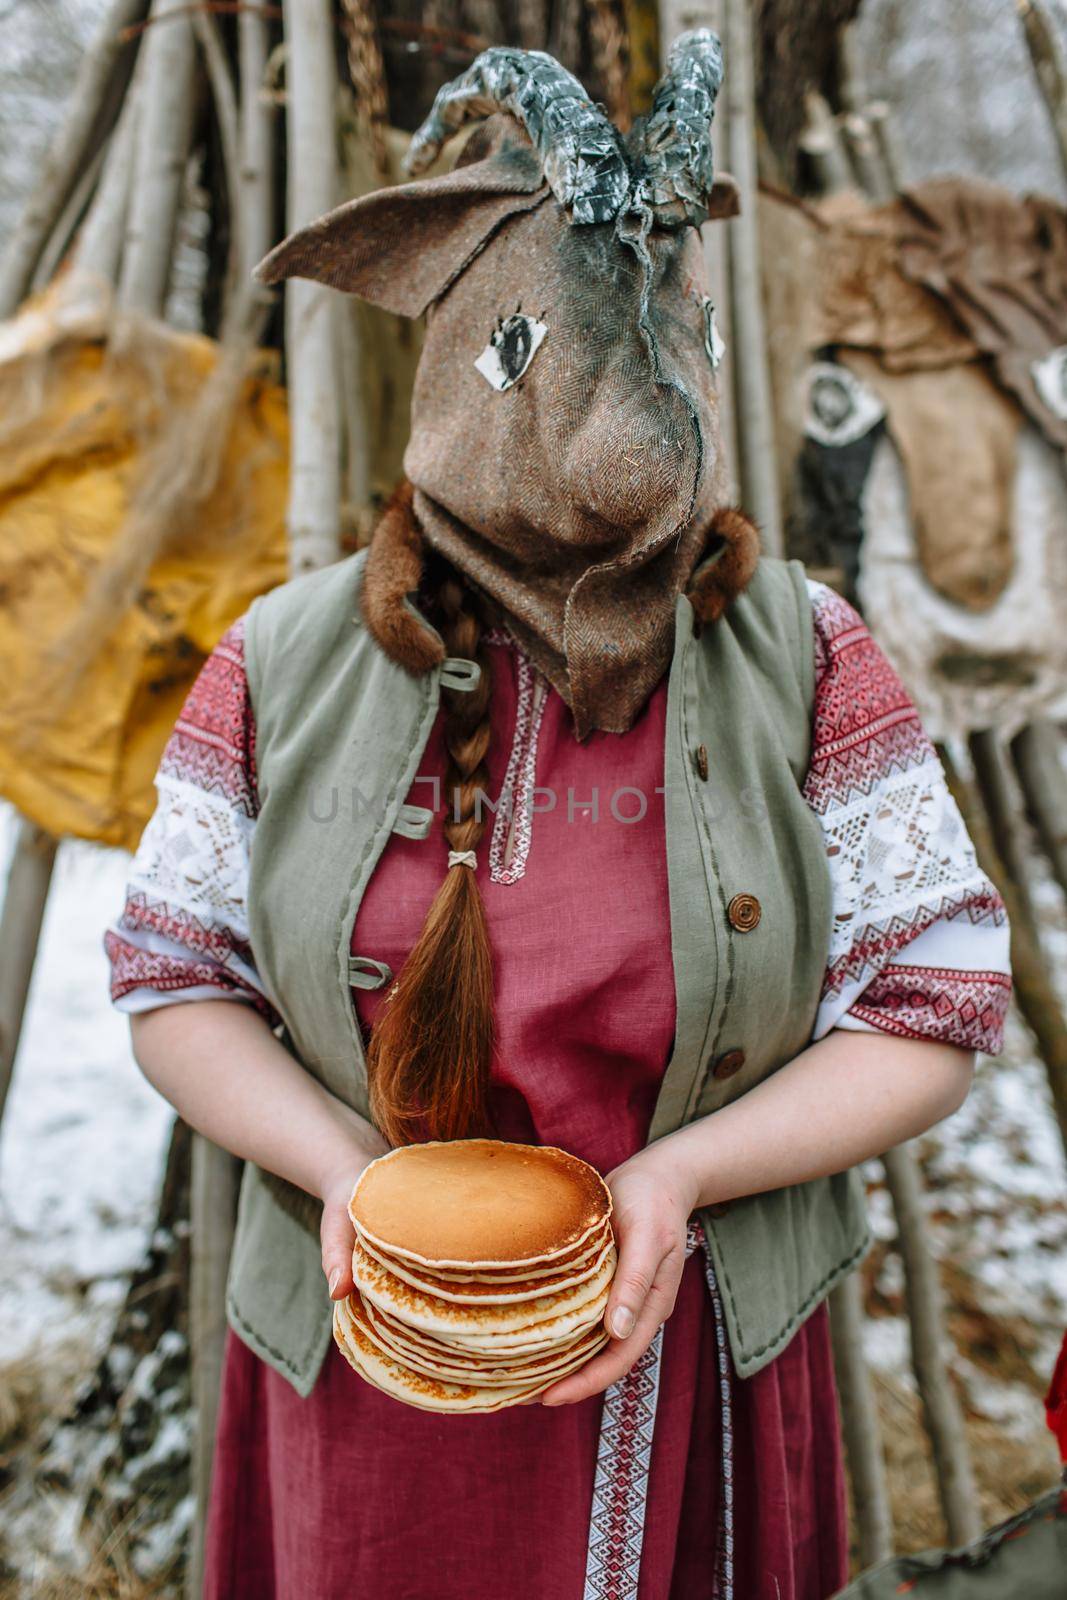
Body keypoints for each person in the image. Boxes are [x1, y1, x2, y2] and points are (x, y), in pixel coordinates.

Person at [105, 35, 1012, 1600]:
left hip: (690, 1353)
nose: (625, 398)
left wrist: (676, 1183)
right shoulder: (283, 661)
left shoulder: (803, 656)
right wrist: (351, 1185)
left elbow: (937, 997)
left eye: (666, 329)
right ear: (453, 340)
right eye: (548, 346)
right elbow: (177, 977)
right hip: (363, 1359)